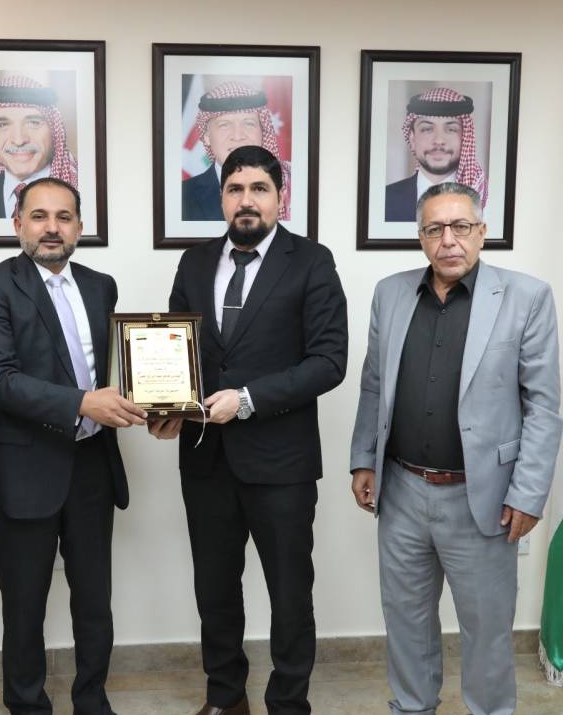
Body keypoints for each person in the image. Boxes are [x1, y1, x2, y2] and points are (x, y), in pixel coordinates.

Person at [350, 182, 563, 715]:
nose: (448, 240)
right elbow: (374, 384)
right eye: (434, 229)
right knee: (406, 622)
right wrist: (363, 459)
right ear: (421, 237)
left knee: (486, 630)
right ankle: (412, 707)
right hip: (401, 490)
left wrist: (528, 494)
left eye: (460, 226)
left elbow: (543, 407)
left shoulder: (527, 297)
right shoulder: (390, 294)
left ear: (482, 232)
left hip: (482, 497)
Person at [151, 145, 347, 715]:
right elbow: (177, 353)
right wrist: (167, 408)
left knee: (289, 592)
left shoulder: (311, 261)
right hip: (205, 459)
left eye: (259, 188)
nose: (246, 200)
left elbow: (328, 362)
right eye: (235, 189)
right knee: (215, 590)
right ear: (221, 199)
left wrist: (247, 400)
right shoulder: (193, 263)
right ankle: (225, 697)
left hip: (282, 464)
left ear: (279, 197)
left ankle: (288, 703)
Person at [0, 177, 147, 714]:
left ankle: (92, 700)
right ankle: (27, 705)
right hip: (23, 471)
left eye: (63, 217)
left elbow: (115, 371)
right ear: (17, 223)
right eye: (39, 216)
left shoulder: (101, 285)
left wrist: (158, 404)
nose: (51, 228)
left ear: (80, 227)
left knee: (95, 603)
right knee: (24, 608)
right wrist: (82, 403)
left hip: (92, 467)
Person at [0, 75, 79, 219]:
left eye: (33, 123)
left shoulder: (85, 196)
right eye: (3, 125)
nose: (19, 140)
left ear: (54, 132)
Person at [183, 81, 292, 222]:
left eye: (248, 123)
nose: (238, 135)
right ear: (207, 137)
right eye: (224, 125)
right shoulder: (182, 196)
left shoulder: (291, 186)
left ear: (263, 132)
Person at [385, 87, 486, 223]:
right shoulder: (384, 199)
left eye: (451, 129)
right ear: (412, 139)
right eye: (427, 129)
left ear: (465, 138)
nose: (438, 140)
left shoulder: (484, 202)